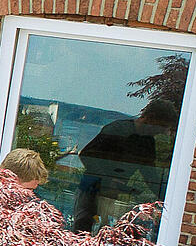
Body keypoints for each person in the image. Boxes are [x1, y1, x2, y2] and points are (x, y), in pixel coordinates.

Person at [73, 99, 179, 233]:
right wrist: (109, 179)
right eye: (163, 127)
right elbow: (87, 155)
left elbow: (150, 175)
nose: (163, 133)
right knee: (83, 229)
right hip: (91, 189)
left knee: (108, 232)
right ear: (151, 119)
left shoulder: (147, 142)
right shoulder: (117, 129)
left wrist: (167, 198)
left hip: (112, 194)